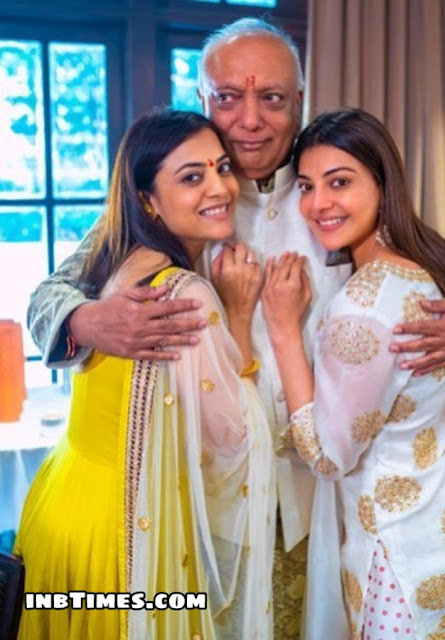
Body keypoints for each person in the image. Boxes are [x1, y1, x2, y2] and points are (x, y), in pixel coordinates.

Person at [26, 18, 445, 639]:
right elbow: (49, 296)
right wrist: (86, 318)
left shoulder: (333, 187)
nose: (249, 119)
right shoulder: (180, 196)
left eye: (272, 98)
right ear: (203, 98)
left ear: (300, 99)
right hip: (210, 504)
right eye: (228, 97)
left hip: (329, 499)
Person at [14, 108, 275, 640]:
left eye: (222, 169)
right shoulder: (184, 294)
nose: (220, 188)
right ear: (147, 200)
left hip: (65, 500)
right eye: (192, 177)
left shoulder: (115, 260)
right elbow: (232, 440)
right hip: (127, 526)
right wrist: (239, 314)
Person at [262, 107, 445, 639]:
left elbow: (328, 456)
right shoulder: (426, 265)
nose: (318, 203)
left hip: (403, 562)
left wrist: (282, 330)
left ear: (382, 184)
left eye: (340, 182)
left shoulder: (364, 305)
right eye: (306, 186)